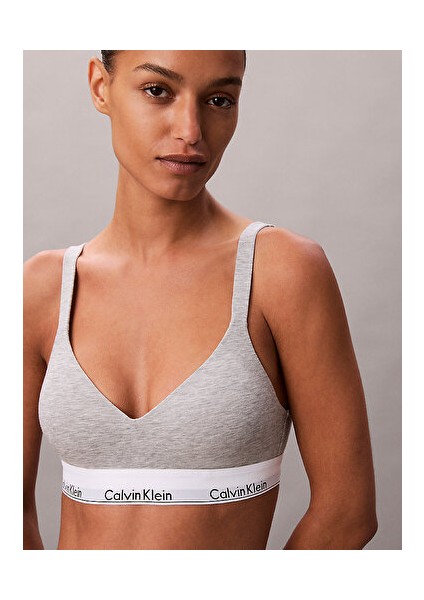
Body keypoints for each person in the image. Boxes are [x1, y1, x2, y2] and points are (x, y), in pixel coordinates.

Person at [23, 50, 378, 550]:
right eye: (158, 91)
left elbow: (347, 514)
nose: (191, 130)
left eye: (219, 100)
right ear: (101, 86)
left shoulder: (280, 272)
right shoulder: (42, 289)